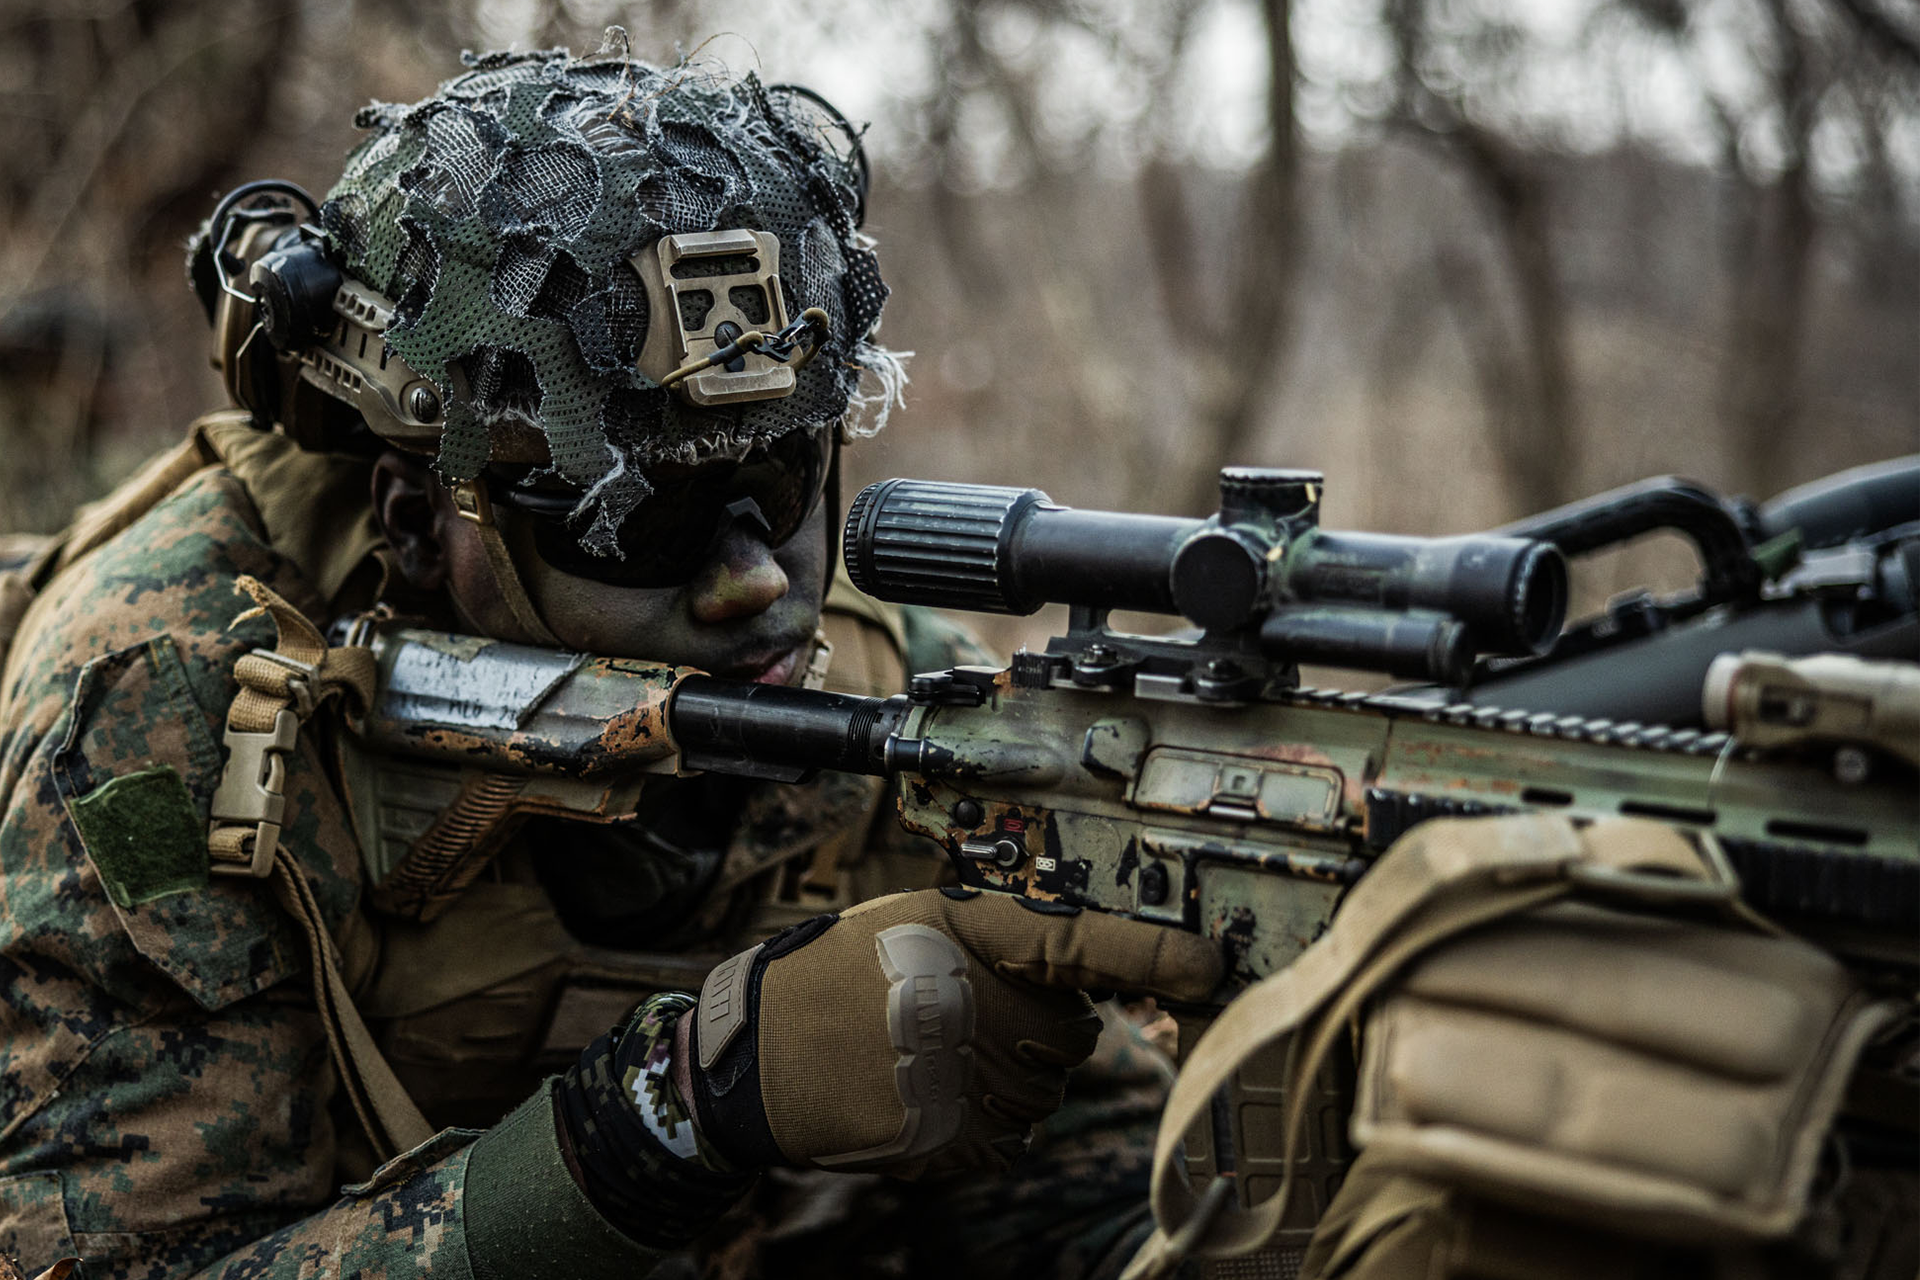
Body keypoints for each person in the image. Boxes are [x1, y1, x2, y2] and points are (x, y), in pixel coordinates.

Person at [0, 42, 1221, 1280]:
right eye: (637, 519)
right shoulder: (170, 709)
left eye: (782, 478)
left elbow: (1083, 1198)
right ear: (425, 521)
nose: (754, 581)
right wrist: (686, 1109)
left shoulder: (882, 699)